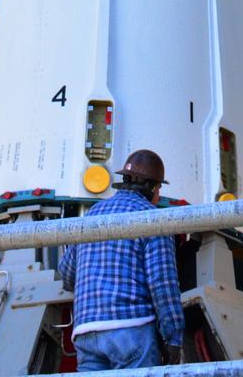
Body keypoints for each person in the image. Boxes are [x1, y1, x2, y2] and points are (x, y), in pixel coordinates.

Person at [59, 149, 185, 370]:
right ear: (154, 188)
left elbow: (67, 276)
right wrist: (173, 338)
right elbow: (162, 284)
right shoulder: (154, 218)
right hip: (130, 329)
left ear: (124, 181)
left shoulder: (91, 215)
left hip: (86, 332)